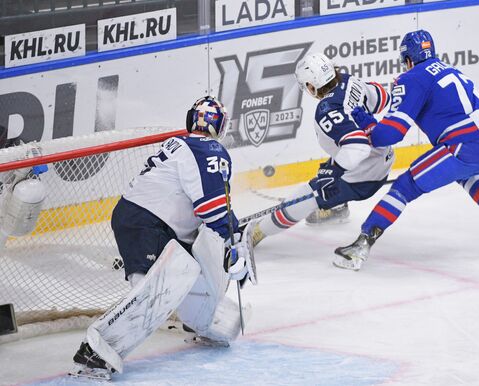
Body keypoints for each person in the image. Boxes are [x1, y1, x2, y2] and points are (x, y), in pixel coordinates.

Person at [70, 96, 256, 380]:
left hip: (146, 220)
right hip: (148, 222)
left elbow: (213, 207)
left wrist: (233, 232)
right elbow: (211, 207)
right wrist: (234, 240)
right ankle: (96, 351)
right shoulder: (209, 150)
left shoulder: (183, 145)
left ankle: (201, 323)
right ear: (219, 126)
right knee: (154, 290)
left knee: (188, 274)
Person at [335, 30, 479, 271]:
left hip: (467, 144)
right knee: (462, 171)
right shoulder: (450, 69)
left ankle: (361, 245)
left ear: (407, 60)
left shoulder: (412, 78)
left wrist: (367, 124)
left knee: (405, 186)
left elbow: (391, 134)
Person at [251, 53, 394, 253]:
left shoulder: (326, 110)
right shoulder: (349, 81)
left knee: (300, 201)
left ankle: (257, 232)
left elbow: (358, 147)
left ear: (312, 86)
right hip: (383, 158)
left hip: (363, 178)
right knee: (332, 163)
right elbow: (382, 98)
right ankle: (337, 208)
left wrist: (334, 171)